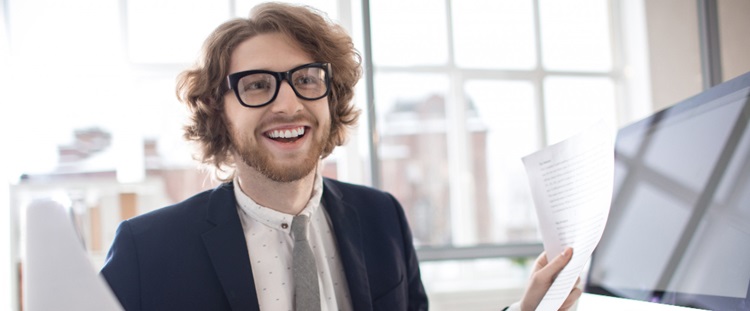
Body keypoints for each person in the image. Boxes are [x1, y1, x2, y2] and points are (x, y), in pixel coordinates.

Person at [100, 2, 581, 311]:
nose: (287, 104)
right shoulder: (148, 249)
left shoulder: (382, 218)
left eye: (307, 79)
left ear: (331, 99)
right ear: (218, 113)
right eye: (257, 86)